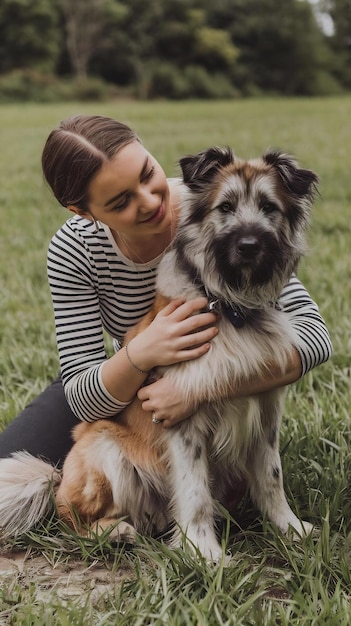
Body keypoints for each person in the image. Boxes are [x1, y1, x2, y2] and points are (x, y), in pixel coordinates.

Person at [0, 115, 332, 468]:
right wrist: (142, 352)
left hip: (212, 371)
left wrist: (198, 390)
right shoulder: (73, 250)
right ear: (82, 211)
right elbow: (83, 395)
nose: (148, 201)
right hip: (125, 376)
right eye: (120, 202)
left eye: (146, 174)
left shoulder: (212, 213)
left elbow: (314, 339)